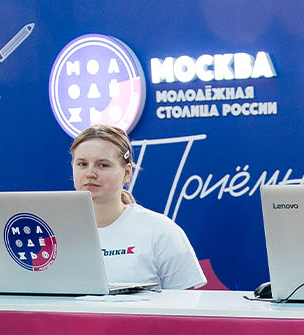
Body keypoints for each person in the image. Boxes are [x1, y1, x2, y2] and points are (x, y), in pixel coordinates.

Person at [70, 124, 205, 290]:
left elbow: (187, 303)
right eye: (82, 164)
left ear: (127, 173)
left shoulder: (161, 231)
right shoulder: (56, 232)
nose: (90, 173)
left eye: (103, 165)